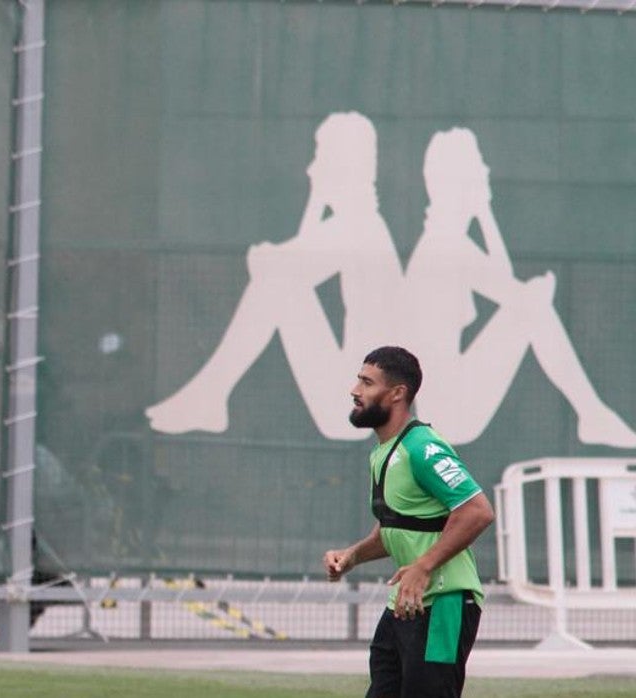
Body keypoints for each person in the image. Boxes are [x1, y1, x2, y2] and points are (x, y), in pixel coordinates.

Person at [146, 112, 403, 440]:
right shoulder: (354, 224)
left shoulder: (359, 226)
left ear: (343, 167)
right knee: (279, 280)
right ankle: (209, 395)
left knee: (277, 281)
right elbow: (288, 261)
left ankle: (210, 395)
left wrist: (313, 202)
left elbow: (276, 265)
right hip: (348, 397)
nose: (311, 169)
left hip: (357, 407)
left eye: (320, 158)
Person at [401, 127, 636, 447]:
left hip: (453, 401)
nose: (485, 173)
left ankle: (593, 415)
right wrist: (534, 293)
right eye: (477, 167)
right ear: (456, 181)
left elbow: (503, 280)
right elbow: (512, 292)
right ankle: (592, 415)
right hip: (449, 409)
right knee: (532, 303)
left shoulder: (451, 241)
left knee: (531, 302)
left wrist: (483, 213)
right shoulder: (444, 246)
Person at [323, 346, 495, 698]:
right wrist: (352, 556)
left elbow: (477, 511)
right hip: (405, 605)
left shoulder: (422, 448)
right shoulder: (383, 452)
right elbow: (398, 527)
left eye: (367, 382)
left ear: (397, 393)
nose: (355, 391)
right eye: (358, 380)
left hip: (444, 603)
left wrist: (423, 566)